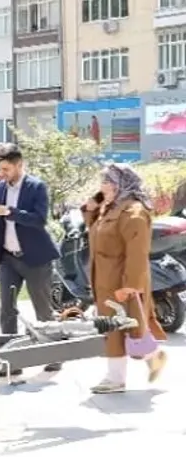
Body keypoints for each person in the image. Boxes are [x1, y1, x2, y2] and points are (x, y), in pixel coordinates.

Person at [85, 163, 169, 394]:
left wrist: (131, 285)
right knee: (124, 328)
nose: (102, 187)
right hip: (105, 277)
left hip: (122, 280)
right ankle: (154, 357)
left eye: (107, 182)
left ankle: (116, 378)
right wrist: (92, 206)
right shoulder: (110, 207)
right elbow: (93, 229)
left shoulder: (134, 212)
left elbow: (137, 253)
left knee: (120, 328)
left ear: (120, 184)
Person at [0, 142, 62, 372]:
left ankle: (53, 356)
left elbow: (39, 219)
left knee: (43, 310)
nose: (2, 174)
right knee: (6, 310)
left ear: (19, 164)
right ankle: (12, 360)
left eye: (6, 169)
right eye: (0, 169)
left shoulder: (36, 187)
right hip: (9, 258)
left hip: (36, 259)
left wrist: (10, 212)